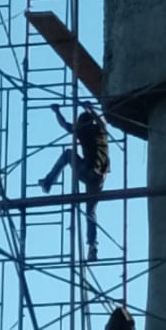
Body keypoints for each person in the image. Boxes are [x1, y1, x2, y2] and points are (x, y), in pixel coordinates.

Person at [40, 104, 109, 261]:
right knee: (90, 211)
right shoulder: (101, 131)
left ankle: (48, 182)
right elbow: (102, 122)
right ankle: (92, 246)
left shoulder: (82, 131)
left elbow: (64, 124)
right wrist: (92, 109)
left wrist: (57, 111)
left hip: (87, 172)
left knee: (68, 154)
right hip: (100, 177)